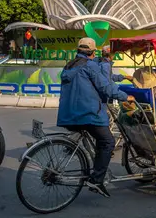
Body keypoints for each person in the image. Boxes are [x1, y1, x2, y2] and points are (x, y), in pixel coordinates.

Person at [57, 37, 134, 198]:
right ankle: (97, 180)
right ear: (93, 53)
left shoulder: (69, 65)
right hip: (88, 113)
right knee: (108, 142)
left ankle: (94, 169)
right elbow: (106, 88)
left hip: (68, 114)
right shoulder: (91, 65)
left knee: (98, 141)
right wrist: (125, 97)